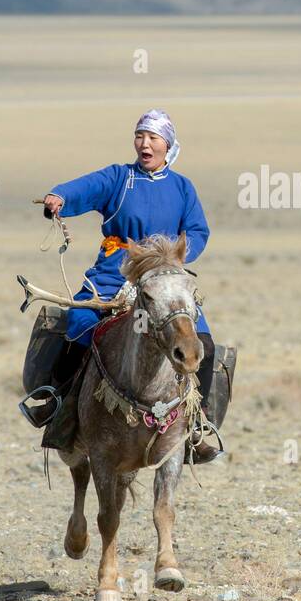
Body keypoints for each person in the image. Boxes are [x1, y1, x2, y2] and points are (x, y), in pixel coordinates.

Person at [30, 109, 222, 462]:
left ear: (168, 144)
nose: (145, 143)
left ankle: (198, 422)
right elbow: (84, 188)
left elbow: (198, 231)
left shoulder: (182, 187)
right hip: (115, 272)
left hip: (164, 276)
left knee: (203, 339)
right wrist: (60, 197)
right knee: (80, 326)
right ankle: (61, 404)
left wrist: (175, 255)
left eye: (153, 137)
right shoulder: (120, 178)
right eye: (140, 136)